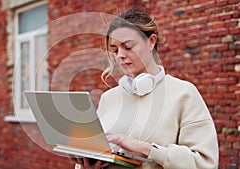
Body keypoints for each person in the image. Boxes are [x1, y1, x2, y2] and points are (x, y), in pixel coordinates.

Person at [74, 7, 219, 169]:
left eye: (128, 47)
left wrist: (146, 149)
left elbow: (204, 164)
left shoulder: (184, 93)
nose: (120, 55)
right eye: (114, 50)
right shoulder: (108, 98)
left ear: (151, 41)